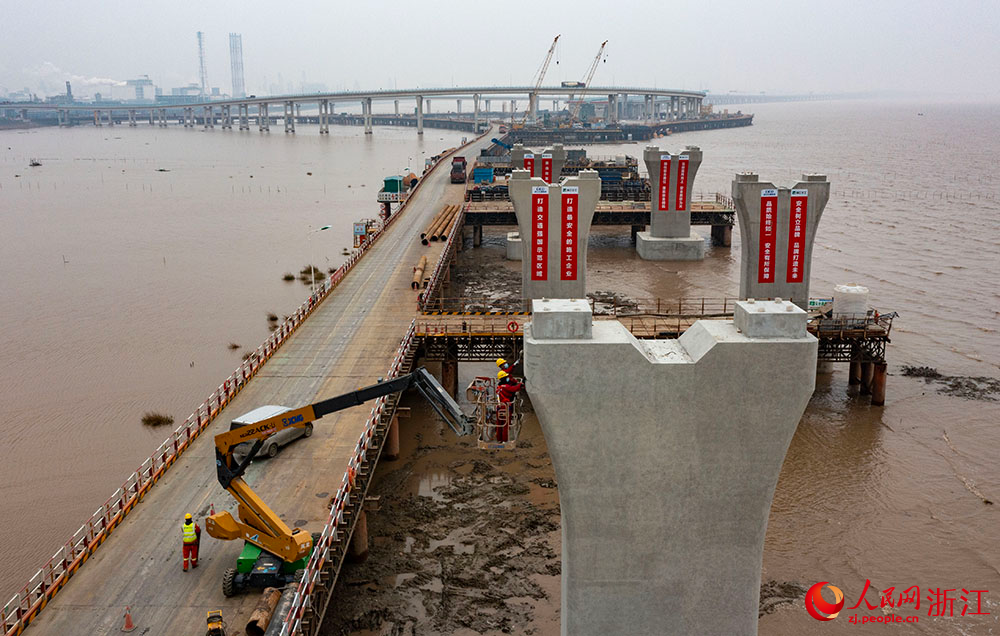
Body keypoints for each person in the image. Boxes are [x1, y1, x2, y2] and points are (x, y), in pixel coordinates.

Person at [495, 370, 524, 442]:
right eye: (506, 377)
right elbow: (514, 389)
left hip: (499, 407)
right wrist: (521, 384)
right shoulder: (506, 386)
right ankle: (504, 440)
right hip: (506, 407)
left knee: (499, 424)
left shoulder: (499, 386)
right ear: (504, 379)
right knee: (505, 425)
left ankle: (499, 438)